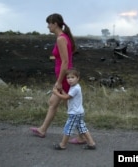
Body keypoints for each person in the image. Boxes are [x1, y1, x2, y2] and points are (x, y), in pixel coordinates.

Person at [30, 13, 86, 144]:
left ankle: (83, 136)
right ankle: (43, 129)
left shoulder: (61, 39)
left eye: (49, 23)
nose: (47, 26)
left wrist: (59, 82)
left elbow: (65, 62)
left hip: (65, 78)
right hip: (64, 77)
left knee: (72, 109)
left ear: (55, 24)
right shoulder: (64, 37)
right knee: (53, 103)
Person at [52, 69, 96, 150]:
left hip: (74, 113)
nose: (70, 80)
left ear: (78, 78)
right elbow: (68, 96)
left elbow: (66, 97)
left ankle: (62, 145)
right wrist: (61, 90)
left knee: (68, 128)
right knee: (82, 128)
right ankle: (91, 143)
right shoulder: (73, 87)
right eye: (68, 78)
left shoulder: (76, 88)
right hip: (78, 112)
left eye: (72, 77)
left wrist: (56, 93)